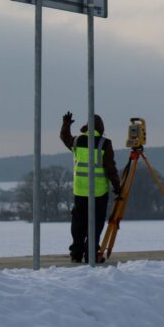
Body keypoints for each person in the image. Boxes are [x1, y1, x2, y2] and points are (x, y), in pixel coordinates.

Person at [60, 112, 121, 263]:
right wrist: (117, 186)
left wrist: (66, 124)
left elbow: (64, 137)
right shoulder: (104, 143)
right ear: (101, 128)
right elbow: (110, 168)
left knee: (78, 224)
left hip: (80, 191)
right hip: (98, 193)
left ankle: (76, 253)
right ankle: (91, 254)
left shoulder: (77, 140)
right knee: (95, 225)